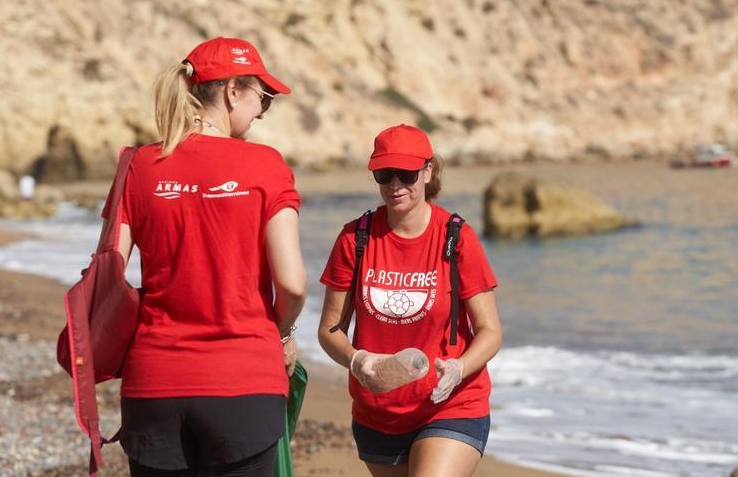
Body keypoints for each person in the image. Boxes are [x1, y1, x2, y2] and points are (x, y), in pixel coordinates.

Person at [99, 36, 306, 477]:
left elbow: (109, 274)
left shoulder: (137, 165)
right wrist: (283, 334)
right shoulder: (265, 165)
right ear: (233, 92)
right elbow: (291, 283)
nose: (262, 112)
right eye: (262, 99)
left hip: (155, 380)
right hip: (244, 380)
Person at [318, 124, 502, 476]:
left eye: (406, 174)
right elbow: (329, 330)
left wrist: (458, 368)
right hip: (379, 411)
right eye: (385, 175)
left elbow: (489, 331)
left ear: (428, 171)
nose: (395, 186)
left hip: (451, 404)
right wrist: (357, 360)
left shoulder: (456, 237)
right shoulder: (354, 239)